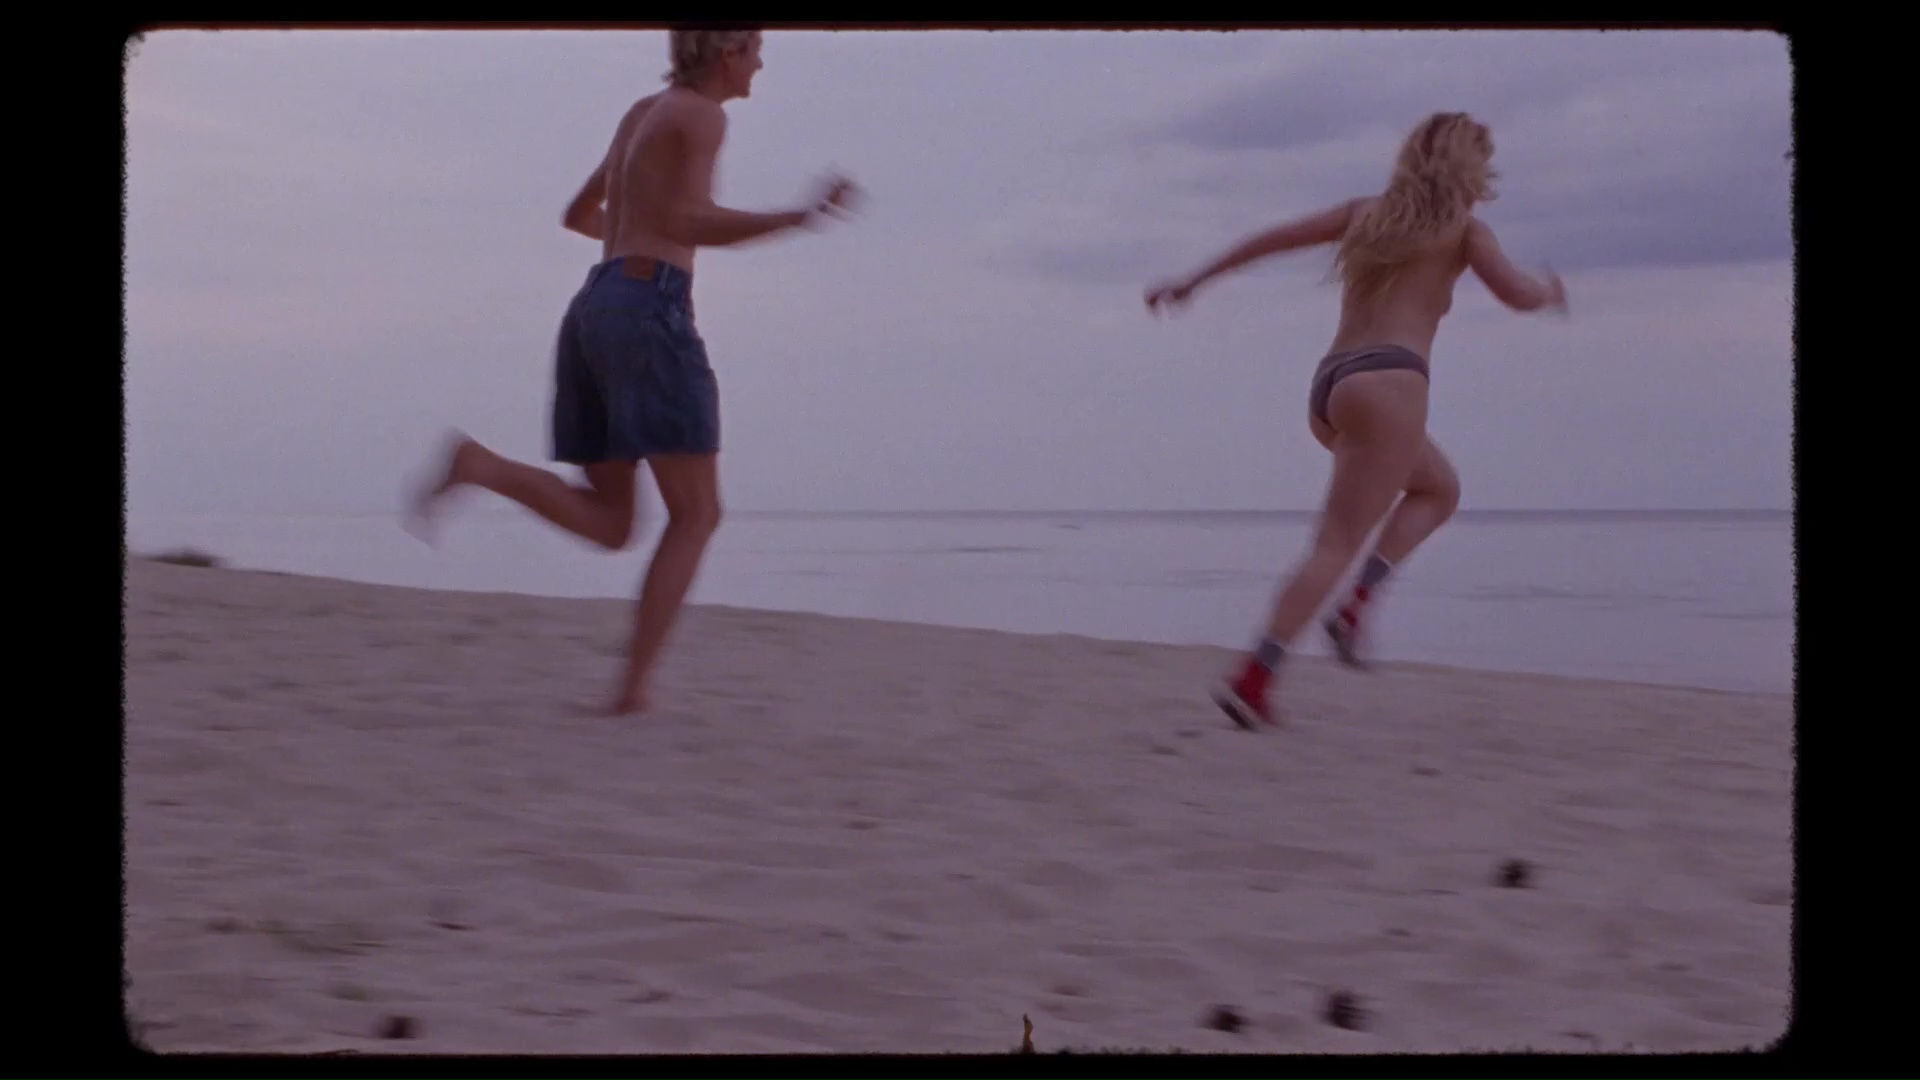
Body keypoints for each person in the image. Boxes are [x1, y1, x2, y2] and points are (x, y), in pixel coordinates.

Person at [405, 29, 862, 716]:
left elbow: (580, 216)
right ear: (726, 51)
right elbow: (689, 217)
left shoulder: (643, 112)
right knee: (698, 513)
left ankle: (481, 466)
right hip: (648, 309)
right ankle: (632, 690)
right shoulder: (702, 116)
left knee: (614, 524)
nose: (761, 61)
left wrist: (638, 242)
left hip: (596, 305)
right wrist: (796, 218)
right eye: (754, 46)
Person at [1144, 110, 1567, 730]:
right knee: (1335, 546)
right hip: (1392, 385)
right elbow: (1516, 294)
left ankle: (1353, 609)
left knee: (1439, 488)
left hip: (1332, 388)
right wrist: (1551, 292)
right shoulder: (1466, 232)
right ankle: (1255, 678)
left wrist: (1193, 281)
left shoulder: (1364, 213)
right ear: (1470, 169)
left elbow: (1269, 241)